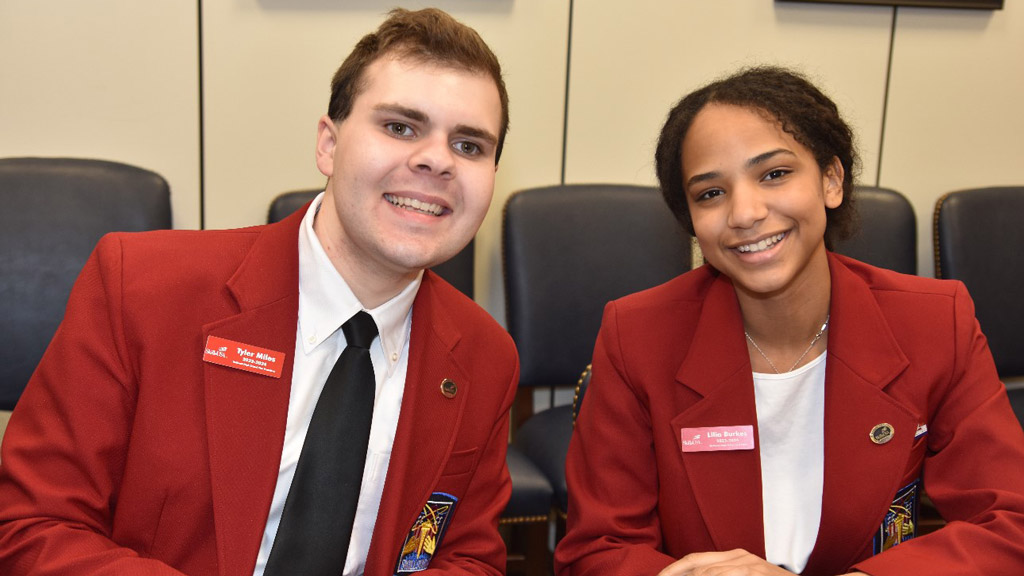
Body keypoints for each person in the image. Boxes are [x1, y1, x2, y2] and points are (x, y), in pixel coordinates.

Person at [0, 8, 517, 576]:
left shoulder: (483, 357)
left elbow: (467, 557)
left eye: (469, 146)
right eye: (400, 127)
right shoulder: (141, 288)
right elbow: (31, 524)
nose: (436, 160)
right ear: (328, 143)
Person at [554, 66, 1024, 575]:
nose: (745, 212)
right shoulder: (638, 335)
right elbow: (596, 549)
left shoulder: (934, 321)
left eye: (774, 174)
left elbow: (1009, 522)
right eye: (710, 193)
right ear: (690, 222)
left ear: (831, 180)